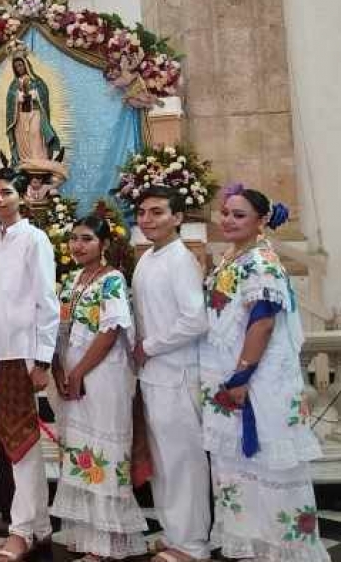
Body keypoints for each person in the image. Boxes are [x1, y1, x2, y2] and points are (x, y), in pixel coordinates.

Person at [201, 186, 328, 562]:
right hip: (232, 378)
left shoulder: (262, 262)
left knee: (271, 465)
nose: (228, 220)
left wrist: (241, 378)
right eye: (225, 212)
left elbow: (262, 324)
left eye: (239, 215)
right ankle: (254, 548)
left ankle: (285, 552)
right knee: (240, 469)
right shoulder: (232, 258)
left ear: (261, 222)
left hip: (259, 382)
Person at [50, 216, 147, 560]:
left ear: (103, 244)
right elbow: (59, 330)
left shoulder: (113, 280)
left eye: (87, 239)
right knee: (81, 448)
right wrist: (60, 367)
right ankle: (87, 534)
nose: (78, 245)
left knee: (104, 449)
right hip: (73, 372)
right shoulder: (71, 280)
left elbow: (109, 333)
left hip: (104, 376)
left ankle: (109, 543)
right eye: (74, 239)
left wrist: (79, 372)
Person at [0, 168, 59, 560]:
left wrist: (42, 357)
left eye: (6, 192)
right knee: (14, 440)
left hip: (24, 352)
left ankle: (22, 529)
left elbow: (46, 298)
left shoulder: (34, 238)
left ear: (21, 196)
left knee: (23, 441)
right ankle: (39, 525)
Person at [131, 187, 211, 562]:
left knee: (184, 460)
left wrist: (149, 346)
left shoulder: (181, 259)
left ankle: (193, 543)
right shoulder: (148, 258)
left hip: (178, 373)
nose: (147, 219)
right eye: (143, 212)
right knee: (163, 459)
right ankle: (173, 531)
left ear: (178, 218)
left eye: (157, 212)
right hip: (152, 375)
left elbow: (195, 319)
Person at [5, 53, 62, 166]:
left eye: (21, 65)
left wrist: (35, 94)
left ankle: (39, 162)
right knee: (22, 139)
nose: (19, 68)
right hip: (20, 116)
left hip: (34, 113)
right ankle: (25, 163)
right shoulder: (14, 84)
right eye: (16, 66)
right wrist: (17, 98)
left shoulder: (36, 81)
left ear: (26, 65)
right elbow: (10, 100)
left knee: (35, 134)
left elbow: (43, 92)